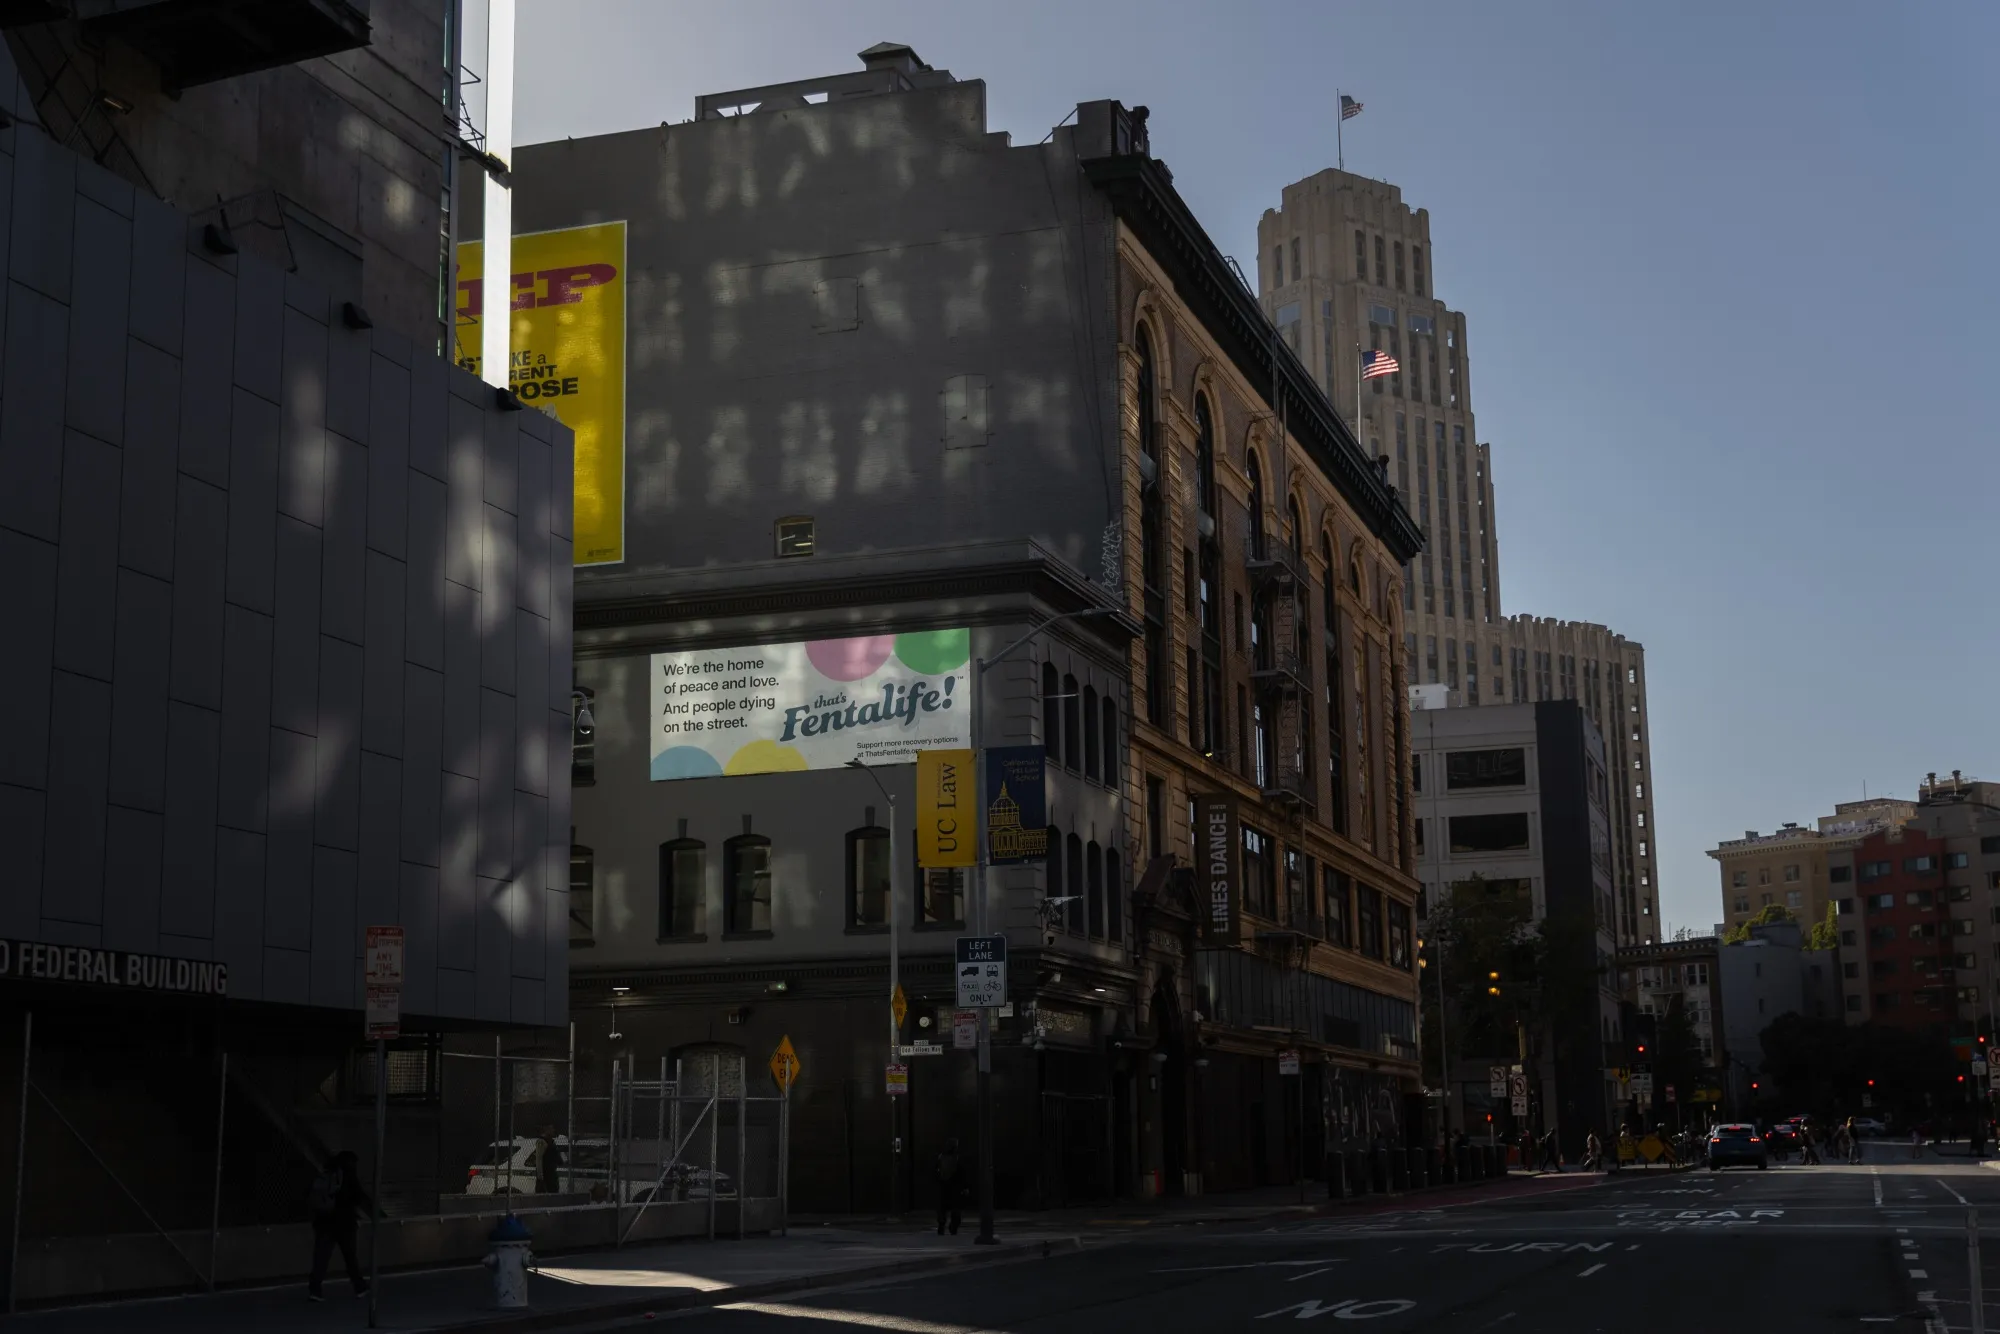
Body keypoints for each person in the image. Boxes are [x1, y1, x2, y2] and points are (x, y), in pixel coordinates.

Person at [307, 1149, 370, 1302]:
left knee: (321, 1258)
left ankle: (315, 1289)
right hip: (344, 1223)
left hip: (324, 1222)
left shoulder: (328, 1173)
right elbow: (357, 1196)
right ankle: (359, 1287)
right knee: (350, 1257)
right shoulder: (348, 1175)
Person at [934, 1139, 966, 1236]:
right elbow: (962, 1173)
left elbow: (936, 1171)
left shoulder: (941, 1157)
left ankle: (941, 1225)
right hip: (954, 1186)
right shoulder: (957, 1158)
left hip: (943, 1185)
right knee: (955, 1208)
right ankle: (953, 1227)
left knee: (942, 1207)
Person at [534, 1124, 564, 1195]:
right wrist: (540, 1177)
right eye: (551, 1129)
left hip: (552, 1172)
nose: (553, 1130)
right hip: (546, 1173)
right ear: (546, 1130)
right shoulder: (542, 1141)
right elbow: (539, 1159)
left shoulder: (552, 1142)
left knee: (554, 1192)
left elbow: (556, 1156)